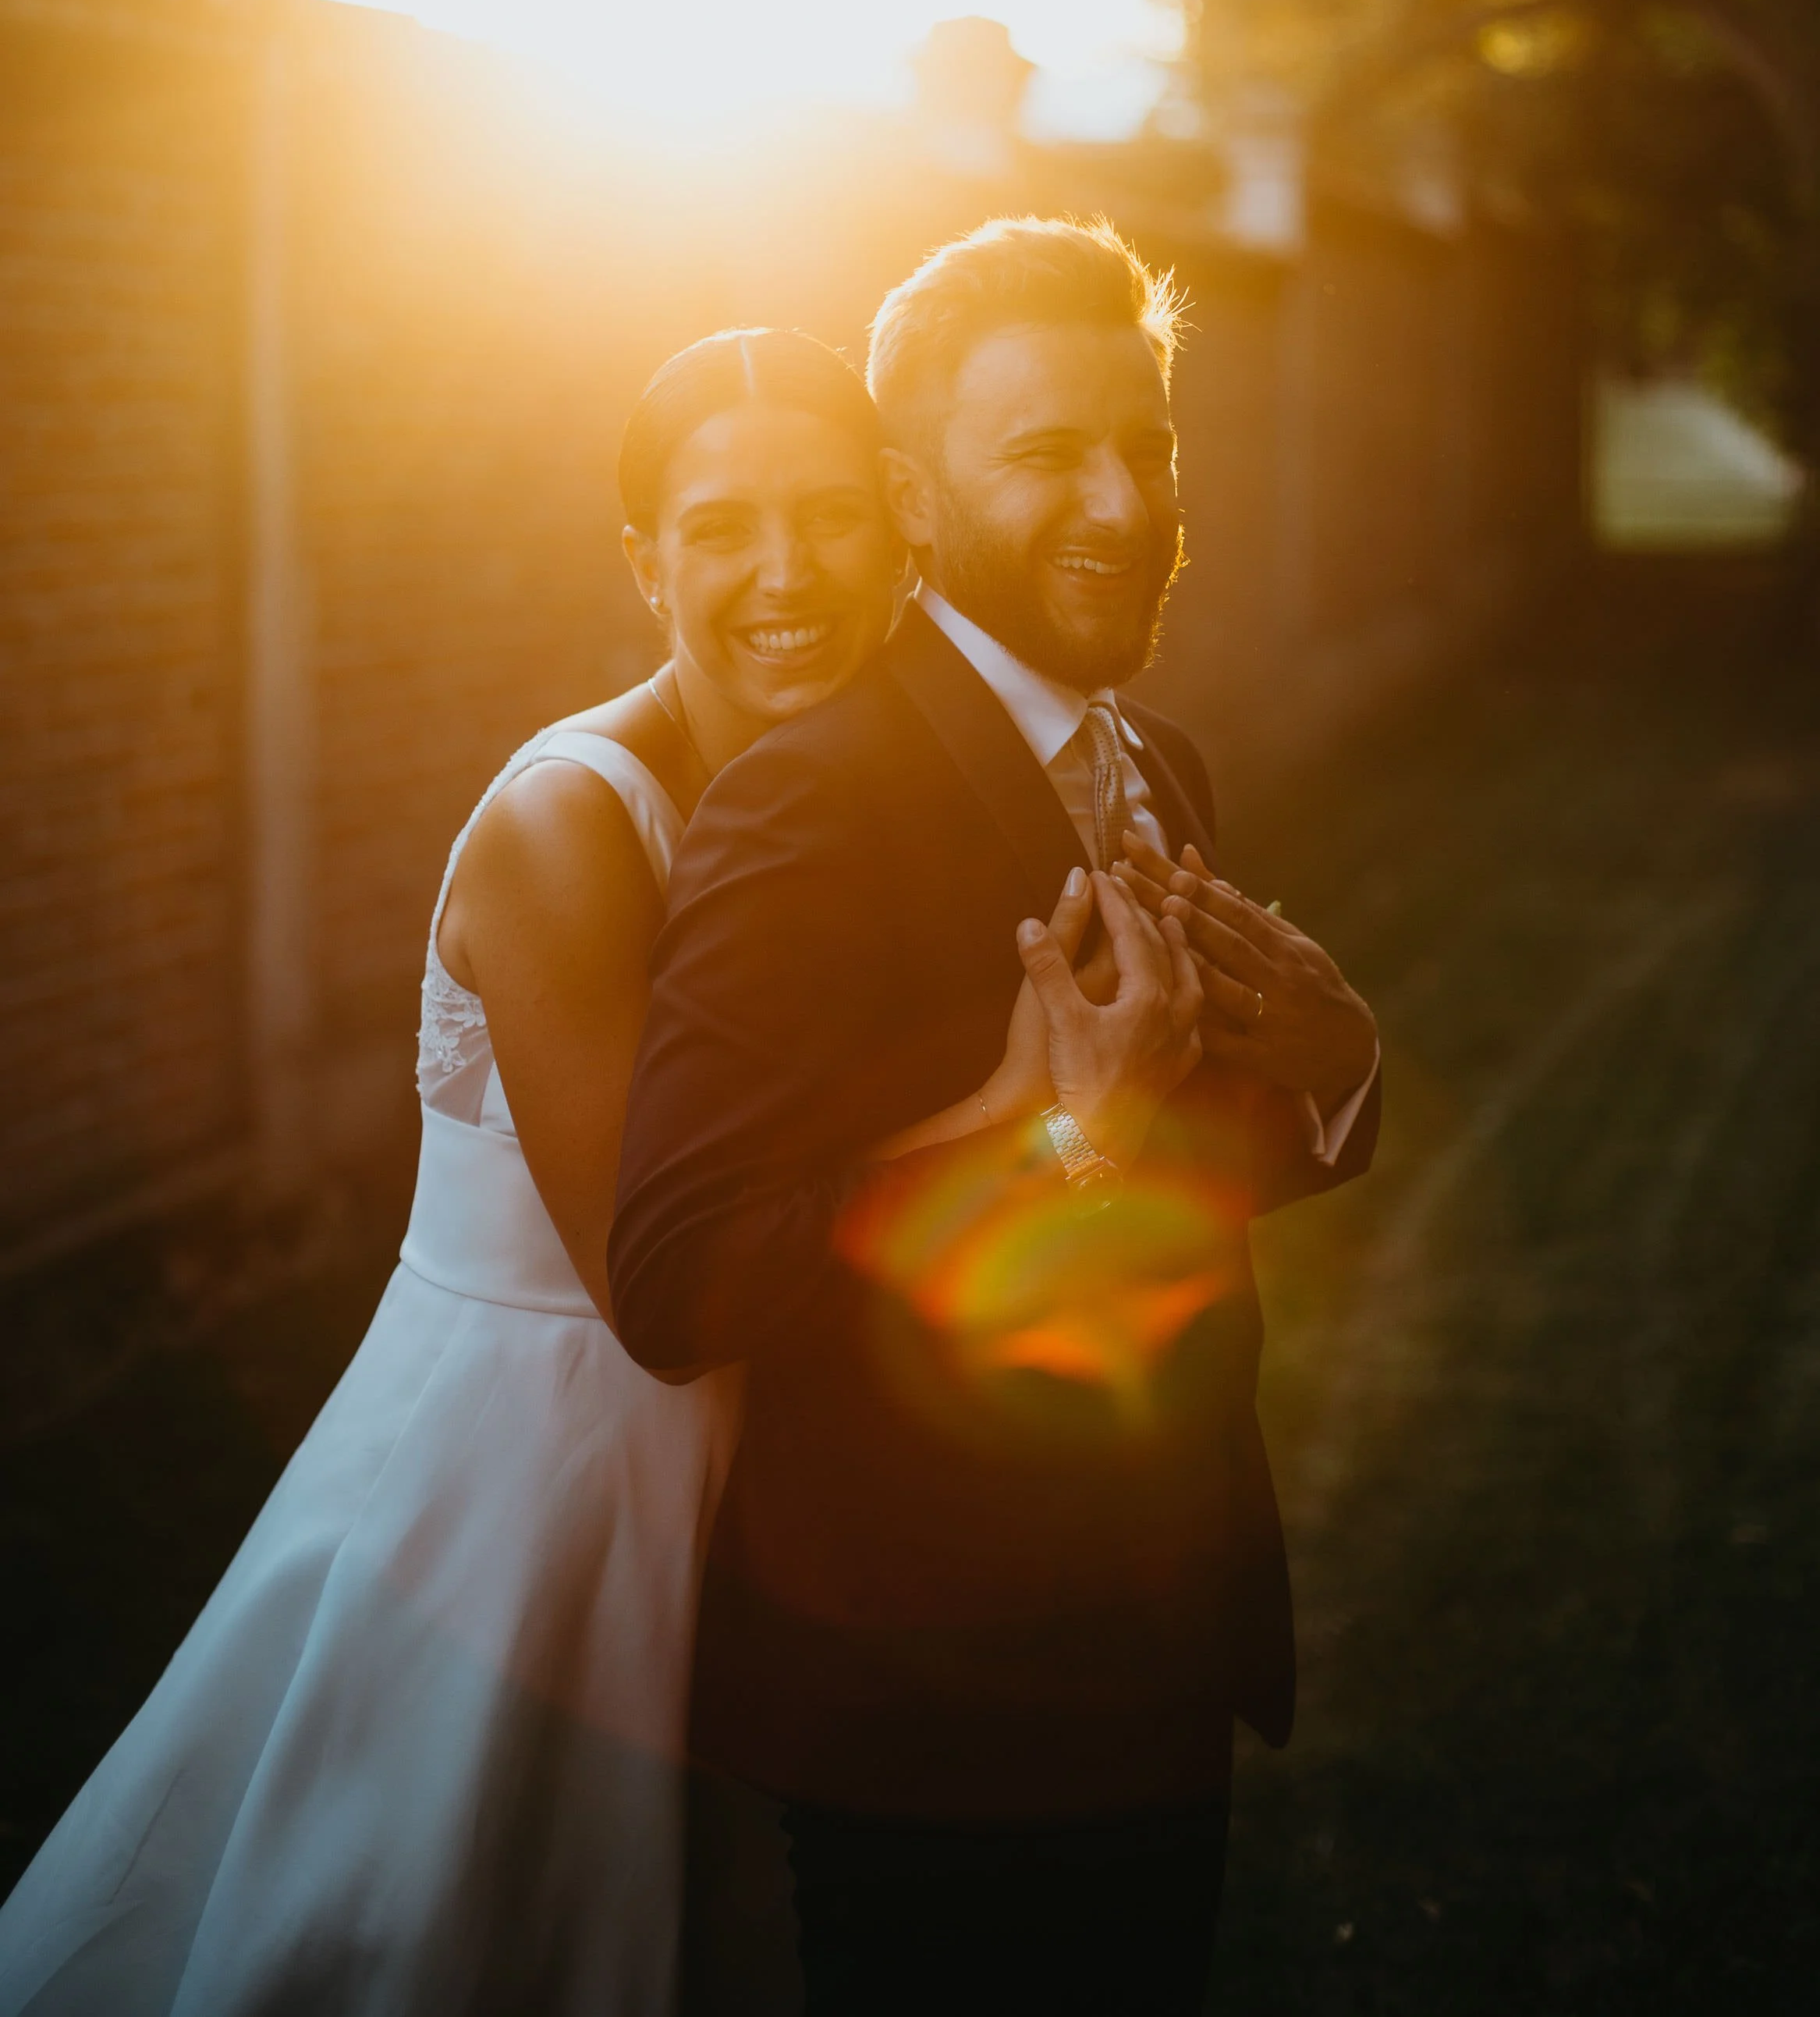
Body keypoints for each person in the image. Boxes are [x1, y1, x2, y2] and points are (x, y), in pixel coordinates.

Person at [0, 327, 1104, 2017]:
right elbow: (637, 1272)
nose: (783, 571)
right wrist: (1015, 1112)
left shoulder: (868, 799)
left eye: (823, 514)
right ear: (643, 559)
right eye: (721, 525)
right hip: (531, 1477)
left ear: (897, 525)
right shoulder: (568, 826)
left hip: (763, 1468)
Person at [611, 219, 1383, 2015]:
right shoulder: (810, 803)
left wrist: (1338, 1070)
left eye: (1149, 447)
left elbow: (1176, 1152)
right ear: (912, 490)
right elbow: (679, 1270)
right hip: (931, 1707)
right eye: (1046, 456)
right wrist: (1049, 1135)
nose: (1122, 501)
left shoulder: (1155, 760)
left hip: (1152, 1645)